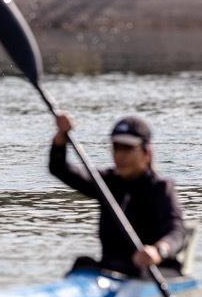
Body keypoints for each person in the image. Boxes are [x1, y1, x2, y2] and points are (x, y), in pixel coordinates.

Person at [49, 114, 186, 278]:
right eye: (116, 147)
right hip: (111, 272)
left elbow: (177, 232)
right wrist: (61, 136)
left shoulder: (161, 188)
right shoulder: (105, 183)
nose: (120, 155)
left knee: (142, 271)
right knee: (82, 264)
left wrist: (159, 250)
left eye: (128, 148)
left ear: (146, 153)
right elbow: (59, 168)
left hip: (152, 273)